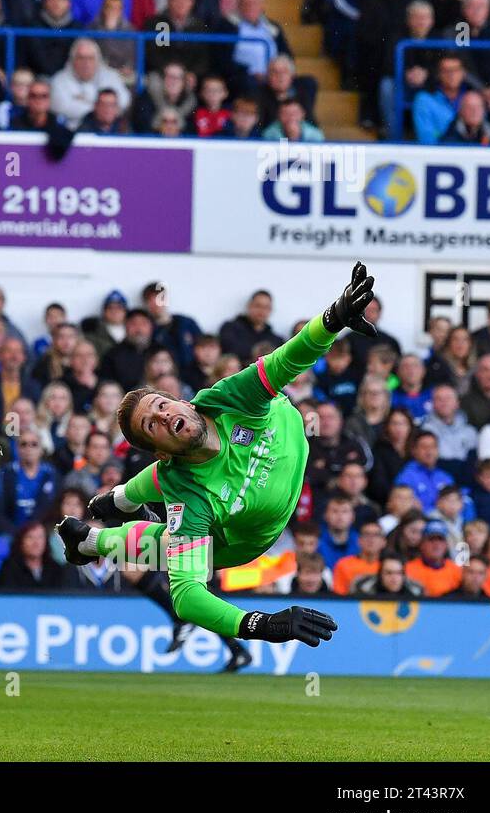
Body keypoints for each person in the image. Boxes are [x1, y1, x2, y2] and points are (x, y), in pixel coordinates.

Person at [57, 262, 381, 649]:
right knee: (172, 542)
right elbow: (187, 597)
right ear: (158, 450)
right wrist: (263, 625)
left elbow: (287, 360)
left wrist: (334, 318)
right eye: (152, 424)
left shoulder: (224, 399)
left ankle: (116, 502)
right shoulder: (186, 498)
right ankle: (95, 539)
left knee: (168, 502)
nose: (164, 415)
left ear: (180, 401)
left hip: (286, 433)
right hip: (248, 537)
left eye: (162, 405)